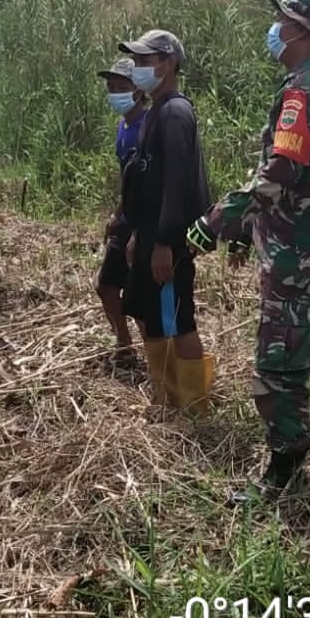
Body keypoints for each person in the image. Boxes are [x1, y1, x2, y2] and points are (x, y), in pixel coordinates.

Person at [186, 0, 310, 501]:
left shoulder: (303, 92)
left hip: (299, 250)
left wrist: (218, 220)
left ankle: (284, 468)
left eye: (282, 23)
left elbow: (281, 172)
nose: (275, 31)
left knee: (279, 358)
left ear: (300, 32)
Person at [114, 29, 215, 412]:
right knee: (156, 320)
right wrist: (141, 233)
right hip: (152, 234)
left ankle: (193, 404)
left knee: (178, 320)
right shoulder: (158, 108)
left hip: (167, 241)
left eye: (145, 60)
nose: (138, 68)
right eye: (136, 61)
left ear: (169, 64)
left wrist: (163, 242)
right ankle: (167, 398)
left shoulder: (174, 112)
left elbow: (176, 185)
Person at [95, 57, 146, 376]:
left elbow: (153, 186)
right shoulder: (124, 125)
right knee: (106, 286)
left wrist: (139, 234)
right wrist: (116, 215)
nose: (115, 93)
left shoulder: (148, 128)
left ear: (139, 90)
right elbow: (127, 181)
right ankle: (125, 345)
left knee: (139, 297)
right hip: (127, 217)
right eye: (111, 87)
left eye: (122, 87)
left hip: (144, 222)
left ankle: (157, 359)